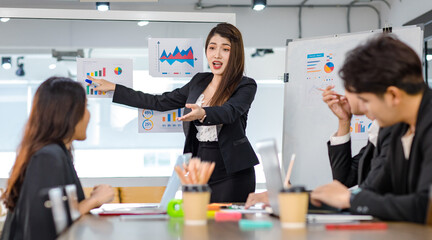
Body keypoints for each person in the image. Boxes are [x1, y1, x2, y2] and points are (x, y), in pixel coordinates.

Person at [88, 23, 259, 203]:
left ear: (236, 54)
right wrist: (115, 89)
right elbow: (159, 101)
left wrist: (202, 113)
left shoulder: (246, 85)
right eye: (212, 47)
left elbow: (229, 112)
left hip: (233, 172)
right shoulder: (199, 81)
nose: (217, 54)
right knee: (197, 225)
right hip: (198, 168)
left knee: (227, 229)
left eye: (225, 49)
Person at [311, 34, 432, 223]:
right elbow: (374, 191)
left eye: (366, 101)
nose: (365, 110)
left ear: (393, 95)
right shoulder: (402, 126)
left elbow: (426, 207)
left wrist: (351, 199)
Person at [0, 77, 115, 240]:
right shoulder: (48, 156)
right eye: (85, 107)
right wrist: (94, 200)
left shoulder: (56, 153)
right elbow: (48, 225)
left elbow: (59, 212)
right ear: (68, 113)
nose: (89, 114)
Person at [245, 86, 392, 209]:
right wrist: (344, 121)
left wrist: (298, 199)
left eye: (348, 87)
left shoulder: (393, 132)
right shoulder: (378, 129)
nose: (345, 95)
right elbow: (344, 180)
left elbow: (368, 196)